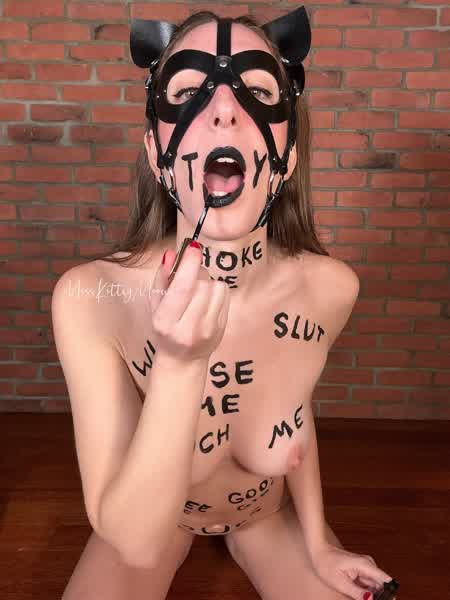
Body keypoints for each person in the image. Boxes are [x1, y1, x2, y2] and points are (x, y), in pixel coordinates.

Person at [52, 7, 397, 600]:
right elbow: (134, 542)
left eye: (258, 91)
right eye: (187, 91)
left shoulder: (329, 289)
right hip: (154, 526)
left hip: (265, 518)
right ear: (158, 155)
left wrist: (318, 540)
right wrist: (179, 364)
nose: (224, 108)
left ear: (287, 158)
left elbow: (294, 407)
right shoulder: (91, 298)